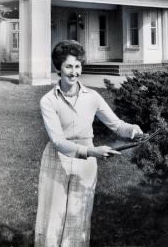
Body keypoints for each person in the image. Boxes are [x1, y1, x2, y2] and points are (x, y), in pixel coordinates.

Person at [35, 40, 143, 247]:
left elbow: (117, 125)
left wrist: (133, 131)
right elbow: (57, 141)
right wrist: (92, 151)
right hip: (56, 160)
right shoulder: (48, 101)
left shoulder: (93, 97)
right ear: (58, 67)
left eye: (77, 66)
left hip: (85, 166)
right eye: (68, 66)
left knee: (78, 217)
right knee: (53, 218)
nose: (74, 72)